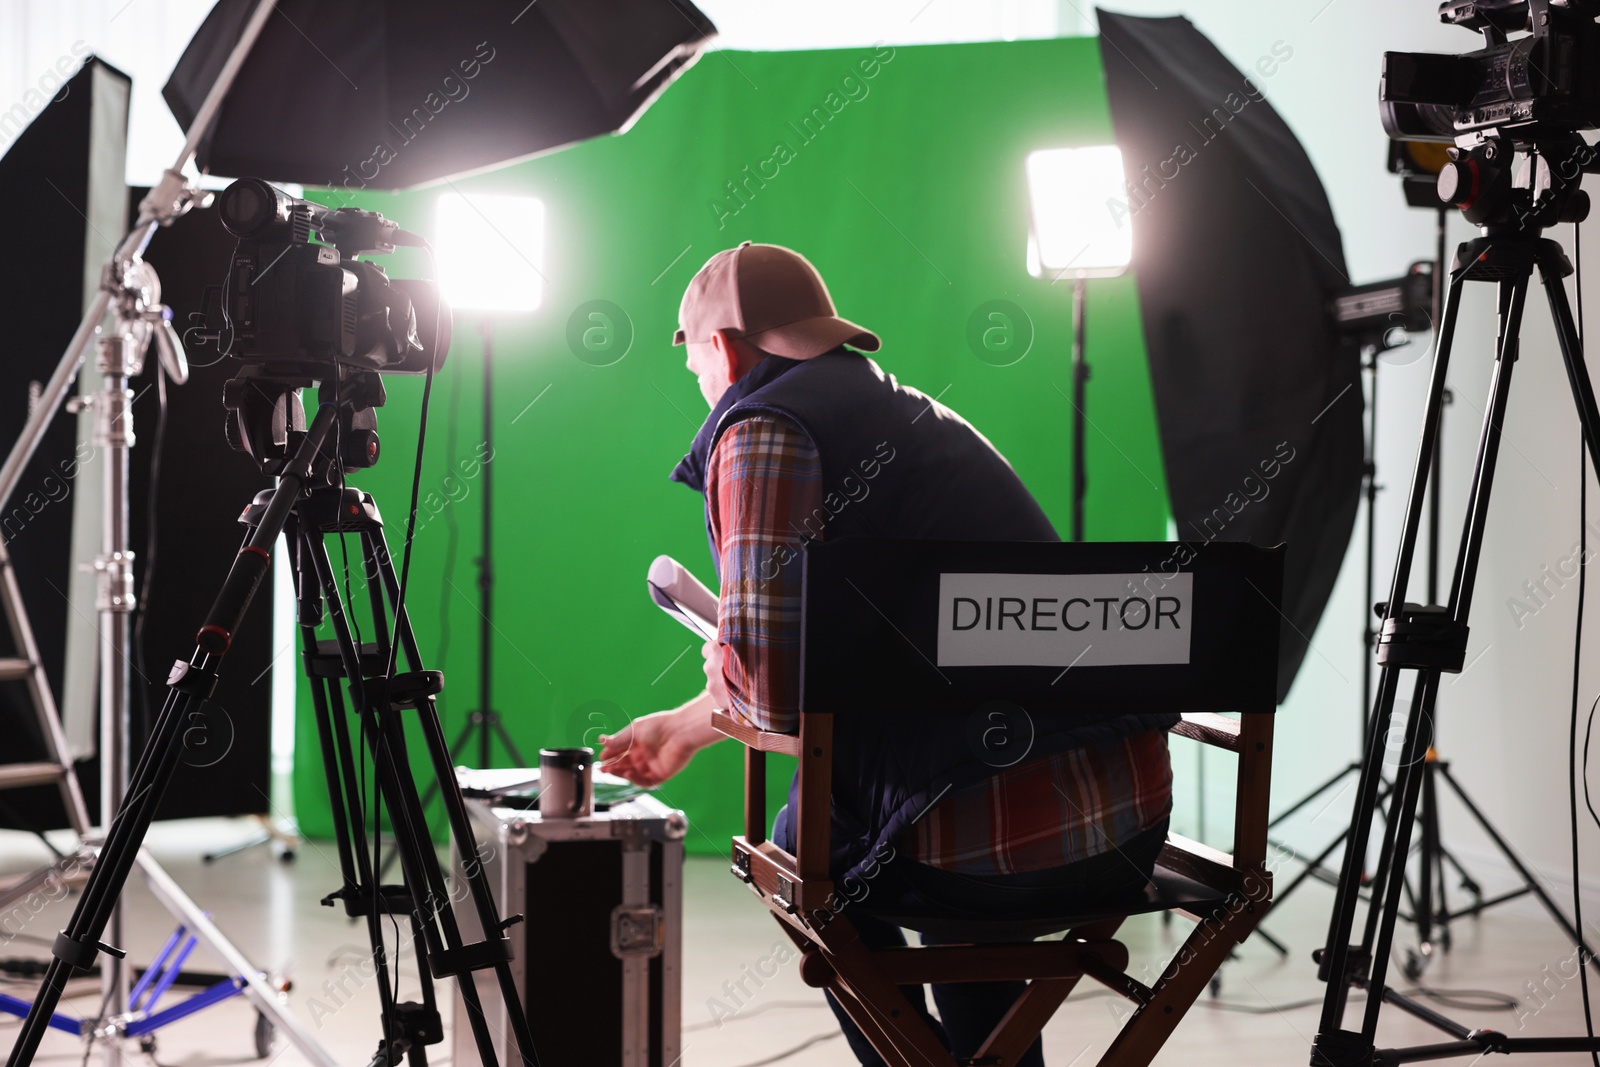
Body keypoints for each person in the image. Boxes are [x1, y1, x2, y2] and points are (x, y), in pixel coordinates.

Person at [598, 242, 1175, 1067]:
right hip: (1126, 821)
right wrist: (689, 725)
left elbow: (773, 698)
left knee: (804, 849)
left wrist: (731, 659)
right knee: (944, 879)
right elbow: (882, 663)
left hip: (985, 837)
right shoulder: (911, 417)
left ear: (722, 348)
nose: (700, 382)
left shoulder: (761, 430)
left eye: (693, 361)